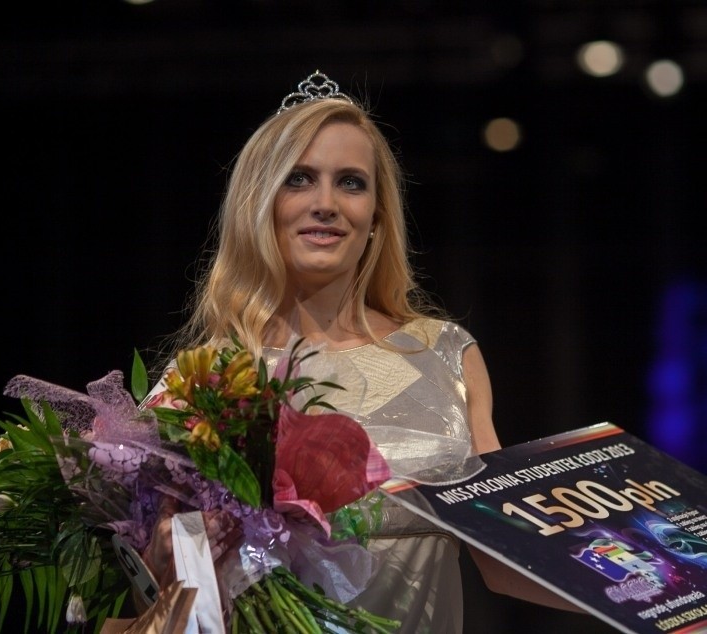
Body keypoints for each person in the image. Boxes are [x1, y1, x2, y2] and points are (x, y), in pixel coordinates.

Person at [142, 70, 582, 633]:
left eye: (351, 183)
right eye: (299, 179)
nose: (326, 203)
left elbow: (505, 556)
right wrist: (166, 547)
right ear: (259, 204)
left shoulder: (445, 355)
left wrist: (671, 596)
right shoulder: (208, 377)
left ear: (377, 216)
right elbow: (165, 579)